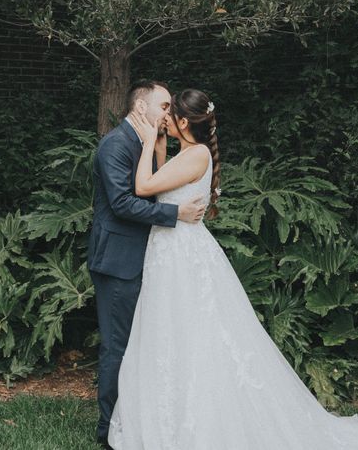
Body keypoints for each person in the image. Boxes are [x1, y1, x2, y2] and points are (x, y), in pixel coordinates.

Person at [105, 88, 358, 449]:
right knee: (171, 333)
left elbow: (143, 186)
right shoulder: (187, 153)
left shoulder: (196, 156)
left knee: (194, 336)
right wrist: (157, 147)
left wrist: (144, 142)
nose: (163, 118)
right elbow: (159, 185)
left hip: (181, 258)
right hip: (170, 256)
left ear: (184, 122)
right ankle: (169, 418)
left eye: (169, 113)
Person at [88, 79, 209, 449]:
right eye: (164, 106)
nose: (169, 114)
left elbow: (155, 184)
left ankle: (140, 418)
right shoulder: (115, 146)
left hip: (151, 261)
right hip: (118, 261)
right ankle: (109, 429)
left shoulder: (145, 144)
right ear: (141, 108)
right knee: (118, 347)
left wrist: (156, 149)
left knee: (146, 344)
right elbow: (124, 204)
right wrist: (177, 213)